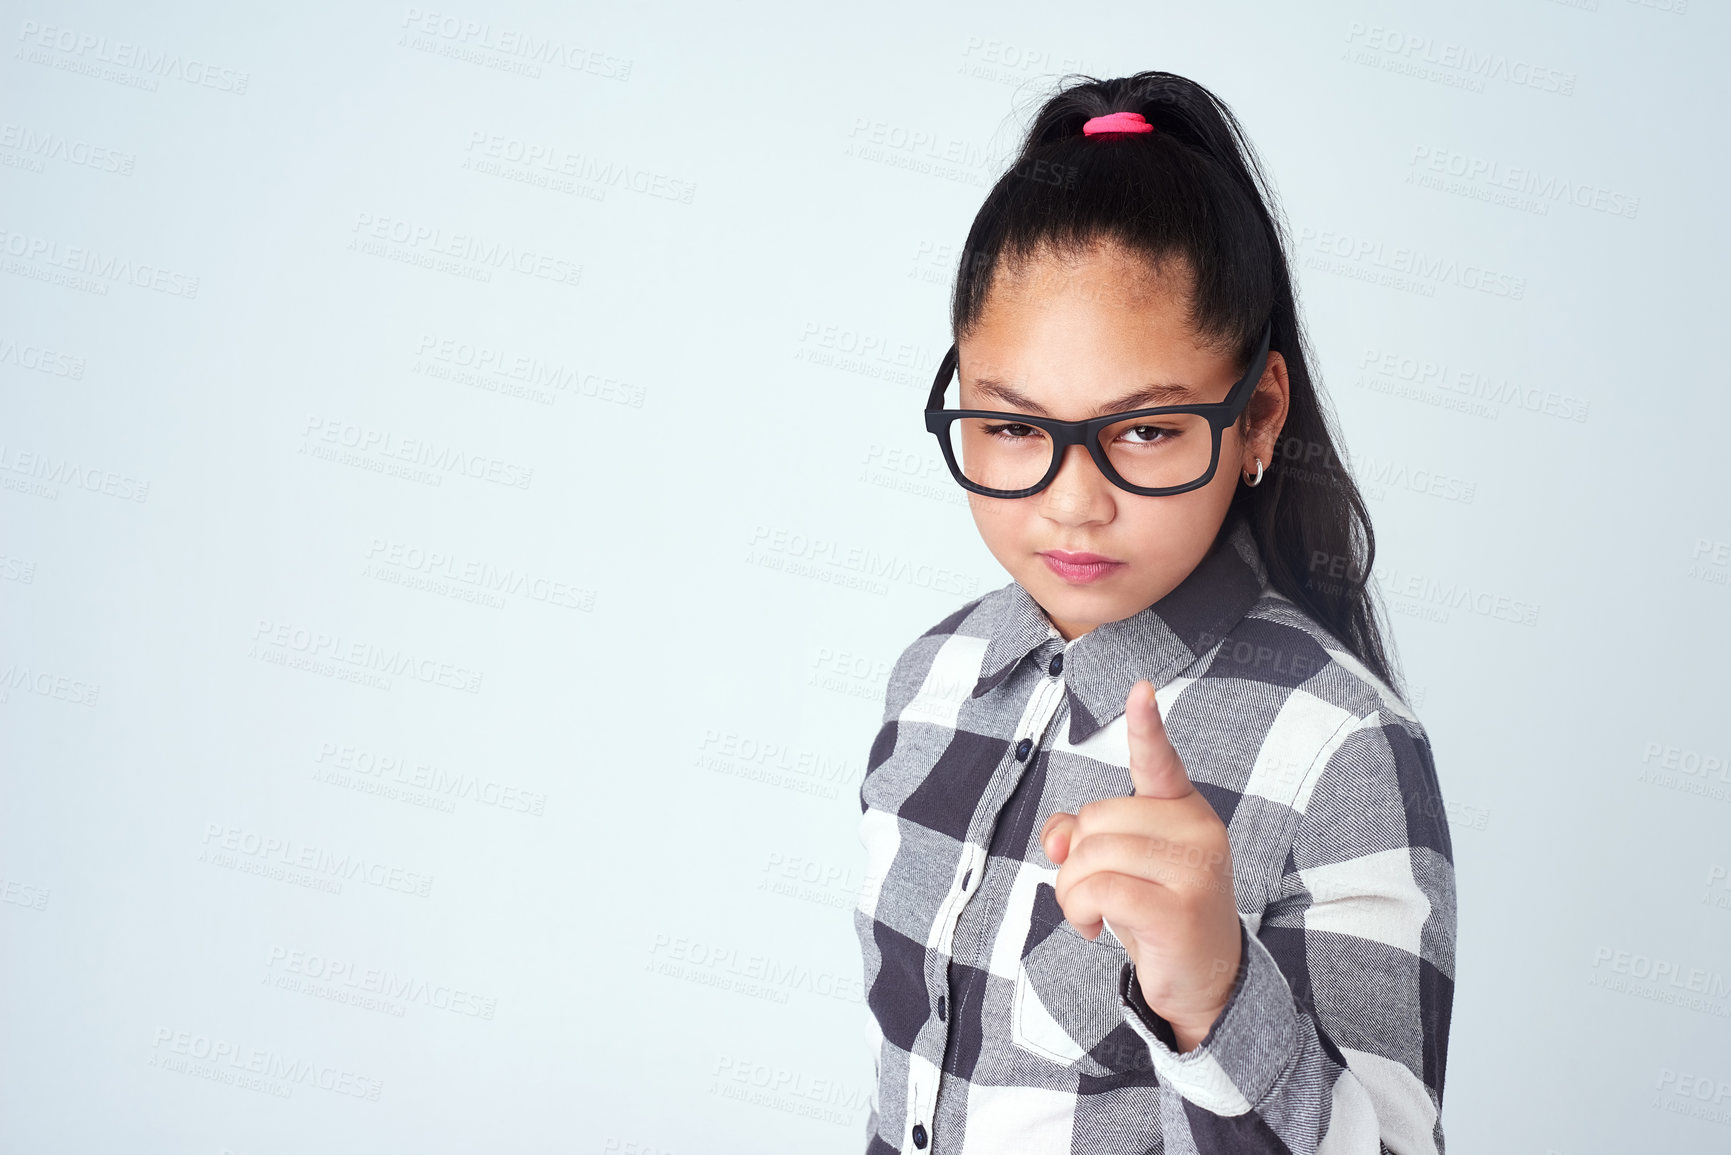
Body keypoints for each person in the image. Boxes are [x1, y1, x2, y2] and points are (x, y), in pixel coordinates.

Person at [852, 71, 1455, 1154]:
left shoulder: (1341, 750)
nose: (1072, 502)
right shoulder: (931, 680)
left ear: (1257, 414)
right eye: (1013, 427)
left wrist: (1218, 992)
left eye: (1144, 433)